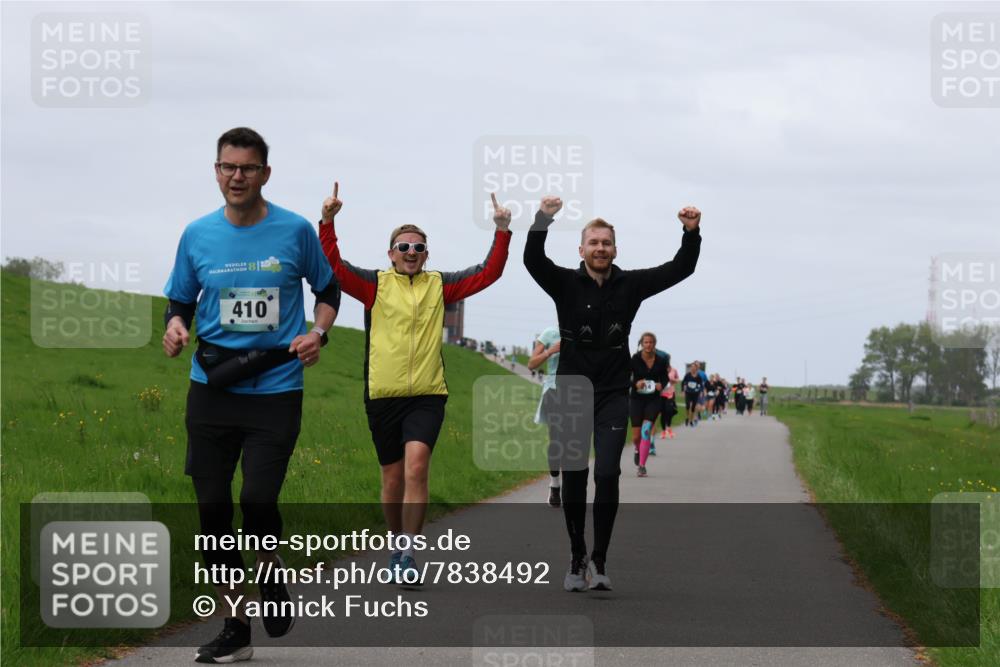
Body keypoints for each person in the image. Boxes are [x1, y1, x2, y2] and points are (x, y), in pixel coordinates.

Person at [163, 127, 340, 664]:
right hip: (212, 389)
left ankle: (271, 577)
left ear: (265, 173)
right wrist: (174, 327)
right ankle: (235, 627)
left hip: (275, 390)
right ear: (216, 171)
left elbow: (328, 291)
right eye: (227, 167)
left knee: (258, 501)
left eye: (247, 168)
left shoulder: (294, 231)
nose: (236, 176)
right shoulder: (197, 234)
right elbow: (179, 300)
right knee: (213, 512)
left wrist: (318, 333)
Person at [319, 186, 512, 585]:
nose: (410, 252)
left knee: (417, 467)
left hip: (427, 395)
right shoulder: (375, 285)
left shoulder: (439, 285)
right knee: (391, 480)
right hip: (383, 395)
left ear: (427, 255)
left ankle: (408, 551)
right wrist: (328, 222)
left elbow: (488, 273)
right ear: (391, 253)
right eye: (403, 246)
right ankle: (395, 542)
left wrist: (502, 229)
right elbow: (333, 267)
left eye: (418, 248)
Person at [524, 194, 701, 591]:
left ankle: (599, 560)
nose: (600, 248)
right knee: (574, 473)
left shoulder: (630, 285)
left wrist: (690, 233)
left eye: (606, 243)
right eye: (593, 242)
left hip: (611, 393)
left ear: (615, 249)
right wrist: (542, 220)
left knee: (606, 472)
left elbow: (680, 269)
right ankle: (575, 556)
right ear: (582, 249)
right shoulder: (565, 283)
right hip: (571, 390)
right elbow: (533, 261)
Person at [527, 326, 563, 507]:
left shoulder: (585, 331)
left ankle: (573, 488)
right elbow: (532, 364)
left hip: (578, 392)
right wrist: (551, 351)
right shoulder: (550, 333)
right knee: (557, 441)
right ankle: (555, 485)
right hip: (554, 391)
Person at [629, 332, 669, 477]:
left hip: (653, 400)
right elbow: (626, 377)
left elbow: (664, 378)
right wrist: (635, 383)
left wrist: (661, 385)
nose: (648, 345)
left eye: (651, 342)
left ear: (654, 344)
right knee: (636, 437)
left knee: (646, 431)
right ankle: (637, 449)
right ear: (642, 343)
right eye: (646, 342)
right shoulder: (635, 359)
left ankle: (642, 466)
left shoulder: (661, 360)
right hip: (636, 400)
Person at [681, 362, 705, 427]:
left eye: (694, 367)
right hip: (688, 392)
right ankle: (687, 418)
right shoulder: (687, 375)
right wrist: (683, 391)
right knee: (688, 406)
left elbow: (701, 386)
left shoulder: (698, 377)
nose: (692, 368)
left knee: (693, 407)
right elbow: (683, 382)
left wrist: (701, 392)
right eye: (691, 367)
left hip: (695, 393)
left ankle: (691, 420)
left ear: (696, 368)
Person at [659, 367, 680, 439]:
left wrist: (673, 380)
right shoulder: (660, 369)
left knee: (669, 410)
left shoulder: (674, 370)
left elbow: (677, 380)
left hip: (670, 393)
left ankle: (669, 427)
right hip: (661, 394)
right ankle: (663, 431)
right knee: (663, 412)